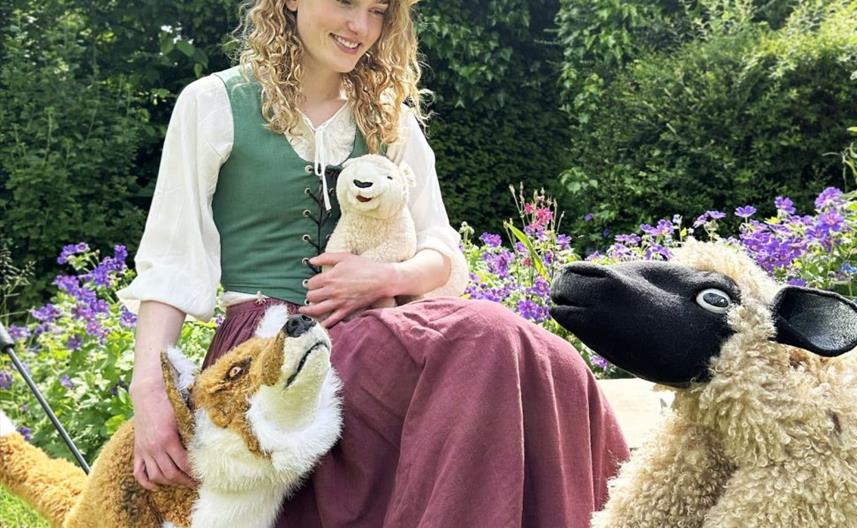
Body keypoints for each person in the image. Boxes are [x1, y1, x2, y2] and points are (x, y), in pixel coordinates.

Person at [118, 0, 629, 526]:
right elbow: (173, 262)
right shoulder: (214, 103)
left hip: (374, 333)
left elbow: (442, 252)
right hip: (270, 346)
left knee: (555, 361)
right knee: (485, 332)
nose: (360, 27)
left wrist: (387, 276)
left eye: (379, 10)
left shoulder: (388, 117)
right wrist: (149, 393)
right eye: (345, 2)